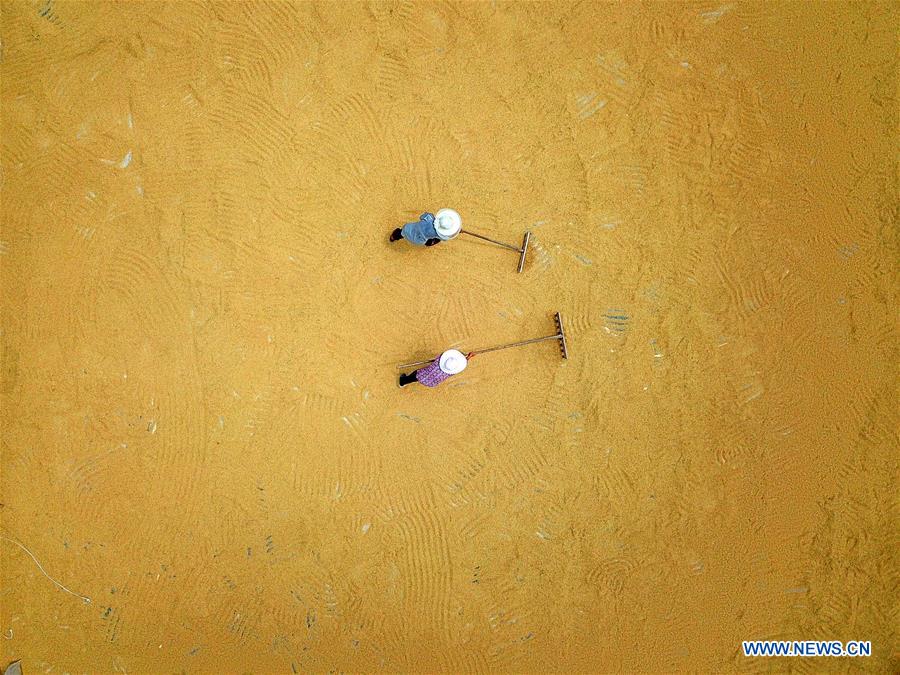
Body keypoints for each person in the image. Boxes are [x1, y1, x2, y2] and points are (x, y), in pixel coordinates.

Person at [399, 349, 473, 388]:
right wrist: (468, 357)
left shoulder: (438, 361)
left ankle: (403, 381)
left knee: (416, 375)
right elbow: (461, 363)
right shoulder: (451, 372)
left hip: (425, 374)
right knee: (418, 378)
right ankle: (405, 381)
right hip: (433, 382)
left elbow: (442, 355)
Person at [390, 208, 461, 246]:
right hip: (419, 241)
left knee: (401, 232)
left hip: (408, 230)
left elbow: (421, 217)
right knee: (434, 239)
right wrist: (455, 231)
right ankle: (431, 243)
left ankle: (393, 237)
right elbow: (444, 238)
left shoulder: (429, 217)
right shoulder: (440, 234)